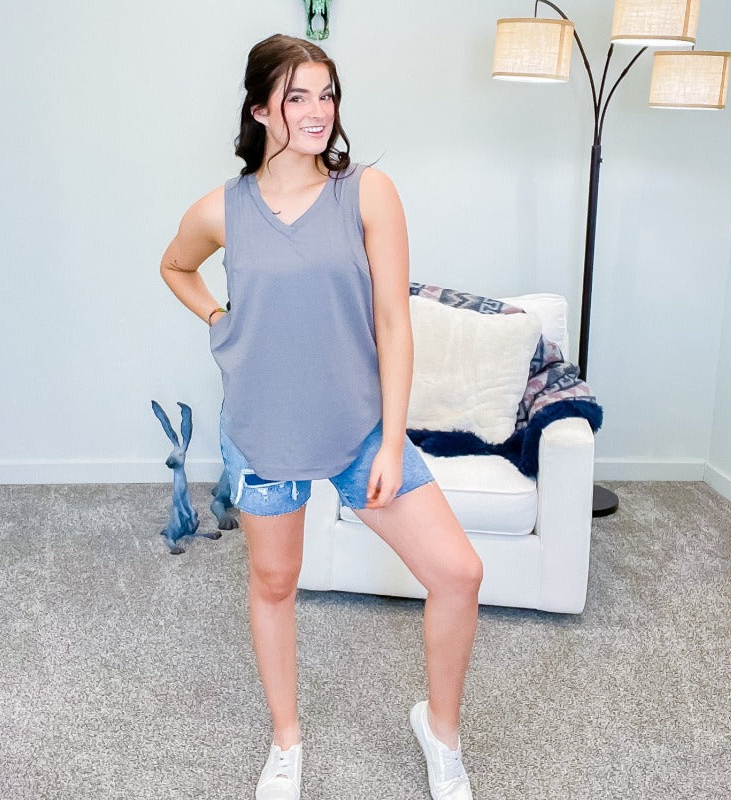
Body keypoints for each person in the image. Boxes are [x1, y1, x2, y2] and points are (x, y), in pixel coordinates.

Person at [159, 32, 483, 800]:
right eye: (297, 96)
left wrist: (392, 442)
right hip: (263, 430)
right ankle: (286, 742)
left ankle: (440, 733)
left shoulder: (367, 192)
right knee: (275, 584)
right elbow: (174, 265)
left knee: (458, 573)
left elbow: (394, 323)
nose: (317, 111)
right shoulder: (222, 209)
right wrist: (219, 318)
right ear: (259, 110)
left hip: (360, 426)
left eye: (327, 94)